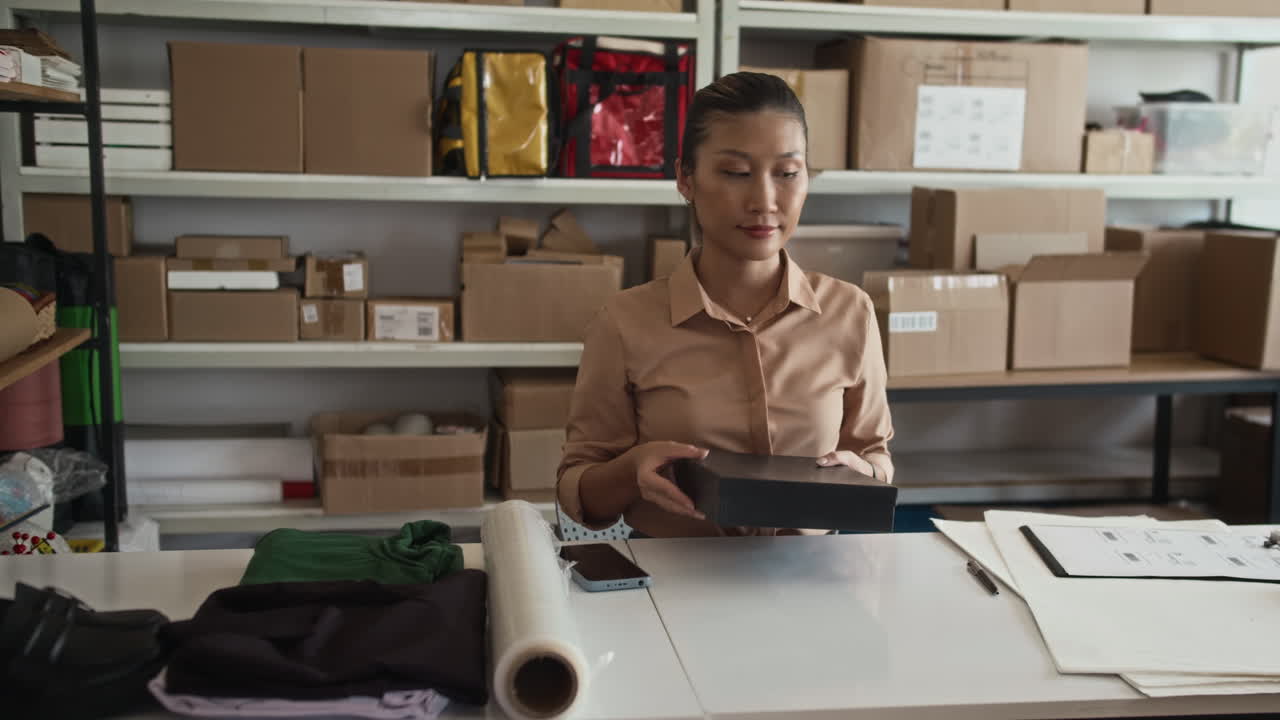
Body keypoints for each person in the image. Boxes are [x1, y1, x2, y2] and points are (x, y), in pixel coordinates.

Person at [556, 72, 894, 538]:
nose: (764, 200)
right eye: (735, 173)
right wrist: (631, 470)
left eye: (788, 173)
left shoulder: (849, 311)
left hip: (813, 583)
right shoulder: (624, 323)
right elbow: (579, 492)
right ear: (685, 179)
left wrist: (866, 474)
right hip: (675, 588)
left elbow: (875, 456)